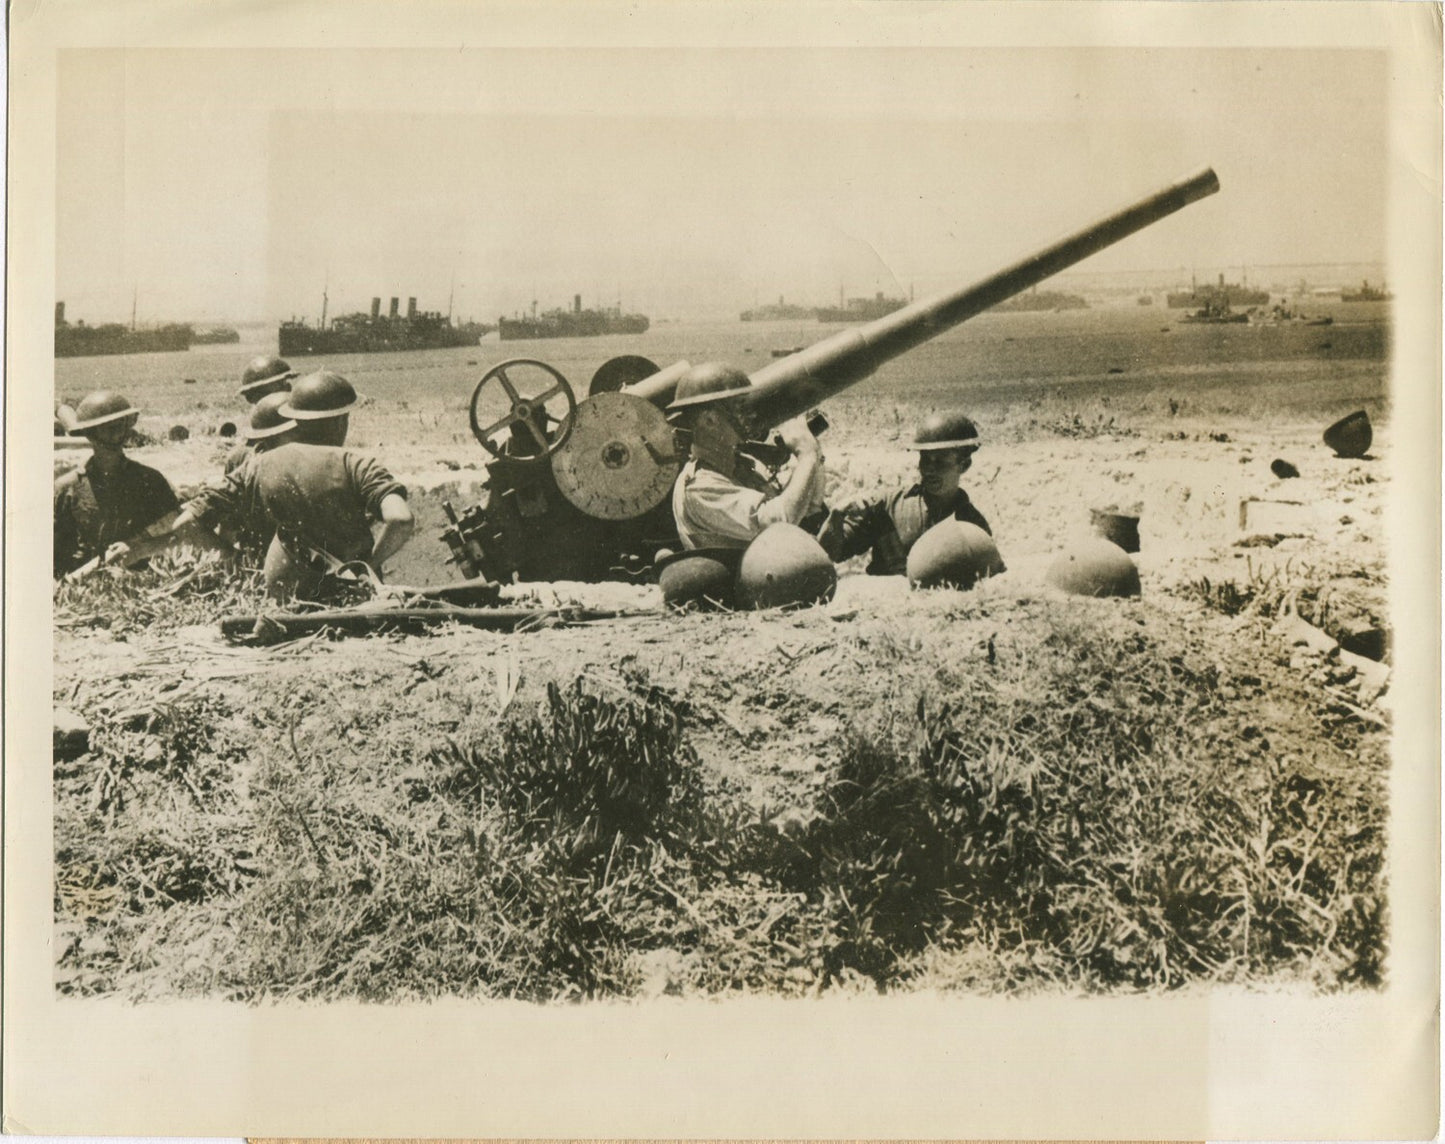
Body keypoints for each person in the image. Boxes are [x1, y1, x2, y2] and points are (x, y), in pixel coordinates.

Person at [113, 371, 414, 601]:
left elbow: (186, 523)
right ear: (339, 422)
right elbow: (400, 519)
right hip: (353, 598)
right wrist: (368, 565)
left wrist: (233, 559)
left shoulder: (254, 466)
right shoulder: (356, 463)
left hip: (275, 597)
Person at [667, 362, 826, 550]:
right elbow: (777, 522)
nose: (751, 415)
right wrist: (807, 455)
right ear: (709, 420)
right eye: (740, 407)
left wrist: (814, 455)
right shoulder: (700, 487)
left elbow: (808, 508)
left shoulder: (740, 467)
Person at [818, 411, 996, 575]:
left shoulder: (973, 524)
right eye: (925, 460)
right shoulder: (887, 505)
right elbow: (830, 554)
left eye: (940, 462)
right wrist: (837, 516)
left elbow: (983, 578)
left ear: (964, 465)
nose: (929, 469)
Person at [54, 391, 181, 578]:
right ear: (90, 433)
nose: (117, 433)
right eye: (108, 428)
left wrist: (137, 550)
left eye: (121, 425)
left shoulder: (150, 480)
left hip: (142, 581)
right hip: (84, 583)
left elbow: (177, 536)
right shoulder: (67, 488)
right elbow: (55, 553)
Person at [225, 355, 299, 472]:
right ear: (251, 398)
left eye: (285, 384)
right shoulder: (240, 457)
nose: (287, 389)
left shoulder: (304, 433)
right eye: (279, 386)